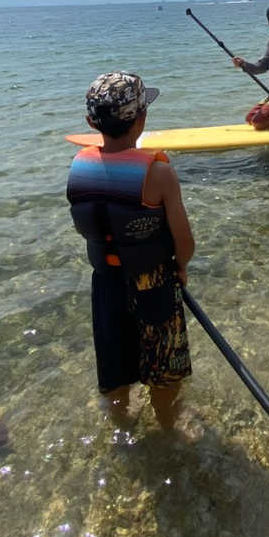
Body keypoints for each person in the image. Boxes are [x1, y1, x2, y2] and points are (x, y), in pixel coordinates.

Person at [66, 72, 195, 431]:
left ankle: (121, 428)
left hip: (106, 283)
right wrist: (181, 268)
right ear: (141, 119)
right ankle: (168, 429)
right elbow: (184, 243)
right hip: (153, 282)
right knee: (164, 370)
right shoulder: (158, 173)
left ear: (92, 122)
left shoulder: (79, 166)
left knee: (114, 365)